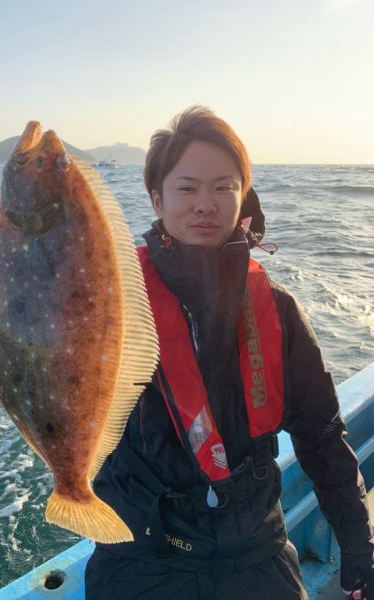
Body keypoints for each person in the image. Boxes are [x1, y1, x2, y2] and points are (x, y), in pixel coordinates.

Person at [85, 106, 373, 600]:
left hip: (255, 548)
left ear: (244, 196)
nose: (206, 204)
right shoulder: (108, 307)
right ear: (157, 198)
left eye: (223, 186)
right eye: (187, 187)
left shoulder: (277, 309)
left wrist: (359, 547)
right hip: (138, 553)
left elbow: (321, 433)